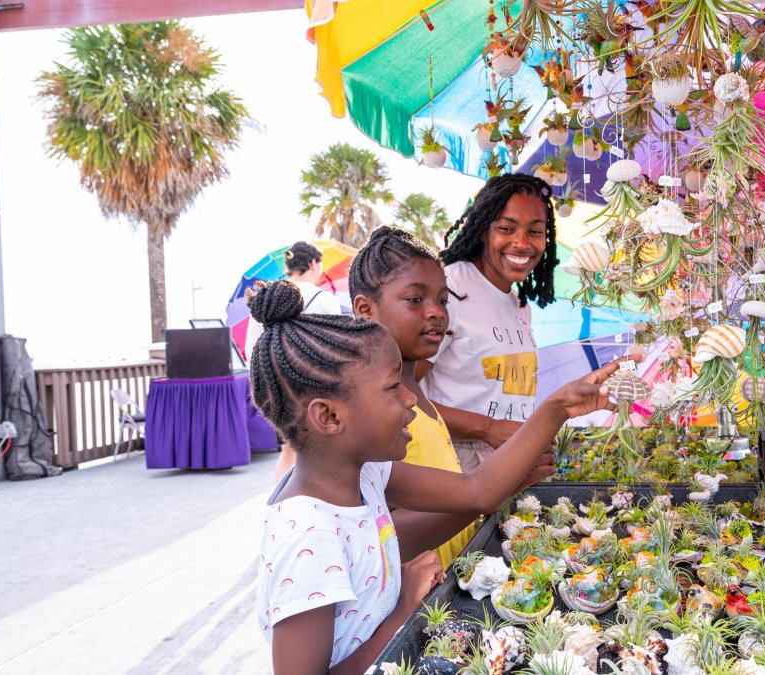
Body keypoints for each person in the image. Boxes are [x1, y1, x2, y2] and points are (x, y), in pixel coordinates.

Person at [247, 279, 623, 675]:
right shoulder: (308, 534)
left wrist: (557, 408)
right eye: (393, 387)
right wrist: (403, 609)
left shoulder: (365, 473)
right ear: (329, 416)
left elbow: (474, 491)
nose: (411, 398)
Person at [350, 226, 547, 568]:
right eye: (416, 299)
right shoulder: (370, 409)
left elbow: (455, 498)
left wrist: (507, 484)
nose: (437, 312)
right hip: (414, 598)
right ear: (365, 309)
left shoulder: (417, 394)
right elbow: (385, 535)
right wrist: (489, 492)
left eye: (442, 299)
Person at [419, 174, 560, 472]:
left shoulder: (517, 303)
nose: (522, 243)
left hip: (499, 471)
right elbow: (401, 391)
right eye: (507, 229)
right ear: (484, 230)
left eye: (535, 231)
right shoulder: (449, 288)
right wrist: (489, 429)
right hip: (448, 470)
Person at [244, 241, 343, 479]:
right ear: (312, 263)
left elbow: (252, 352)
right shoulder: (324, 298)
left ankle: (283, 503)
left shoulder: (264, 298)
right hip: (317, 385)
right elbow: (338, 349)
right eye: (319, 265)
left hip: (277, 385)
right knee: (323, 447)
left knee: (288, 449)